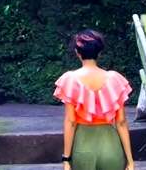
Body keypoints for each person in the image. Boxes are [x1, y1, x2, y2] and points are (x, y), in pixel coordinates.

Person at [53, 29, 135, 170]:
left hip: (83, 147)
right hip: (111, 148)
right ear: (99, 53)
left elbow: (71, 122)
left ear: (77, 53)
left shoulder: (70, 80)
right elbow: (121, 122)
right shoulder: (115, 79)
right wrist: (130, 161)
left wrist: (66, 159)